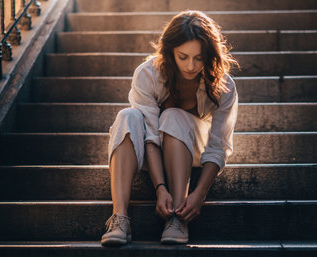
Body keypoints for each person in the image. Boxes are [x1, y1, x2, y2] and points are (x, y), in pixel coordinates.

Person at [101, 10, 238, 246]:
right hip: (146, 154)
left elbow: (218, 146)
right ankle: (119, 217)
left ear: (210, 55)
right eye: (183, 56)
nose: (191, 65)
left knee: (174, 116)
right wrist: (159, 188)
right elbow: (150, 137)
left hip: (191, 151)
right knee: (128, 115)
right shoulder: (148, 74)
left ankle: (177, 217)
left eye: (199, 57)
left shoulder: (224, 85)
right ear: (170, 51)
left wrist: (200, 194)